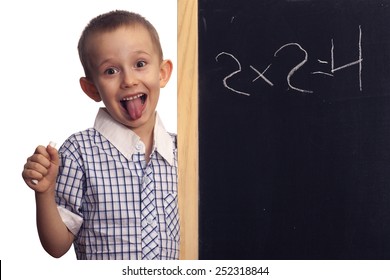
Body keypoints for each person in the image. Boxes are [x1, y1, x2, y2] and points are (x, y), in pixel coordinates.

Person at [21, 10, 179, 260]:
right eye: (111, 71)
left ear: (162, 73)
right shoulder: (78, 151)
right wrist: (45, 192)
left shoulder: (185, 151)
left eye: (140, 64)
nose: (128, 80)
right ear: (92, 88)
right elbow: (56, 246)